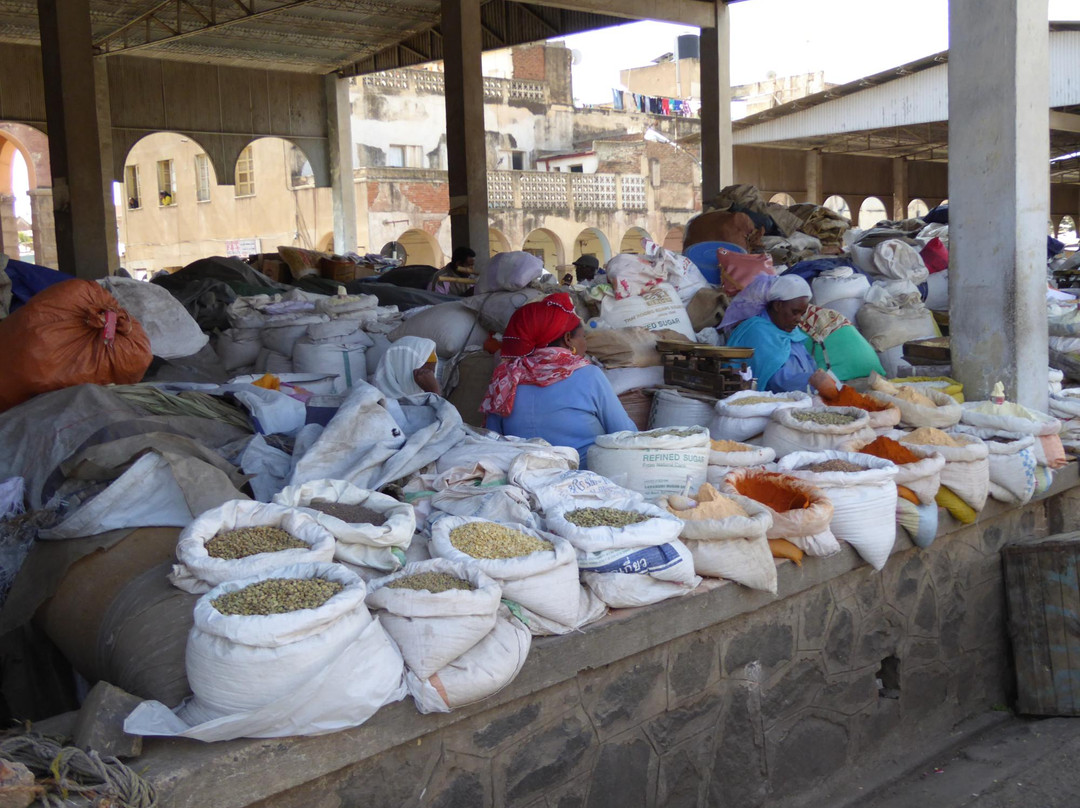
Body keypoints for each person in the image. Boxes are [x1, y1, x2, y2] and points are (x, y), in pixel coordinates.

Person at [482, 292, 635, 468]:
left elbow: (492, 441)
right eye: (583, 336)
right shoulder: (589, 375)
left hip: (522, 478)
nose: (585, 343)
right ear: (568, 339)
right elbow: (625, 434)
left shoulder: (505, 378)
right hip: (584, 478)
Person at [721, 274, 835, 395]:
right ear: (777, 305)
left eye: (801, 314)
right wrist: (812, 382)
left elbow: (808, 363)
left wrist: (819, 378)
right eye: (795, 312)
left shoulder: (790, 331)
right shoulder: (757, 332)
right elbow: (775, 380)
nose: (799, 319)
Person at [372, 336, 441, 398]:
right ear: (402, 367)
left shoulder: (420, 399)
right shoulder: (377, 401)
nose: (430, 376)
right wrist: (434, 392)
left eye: (432, 371)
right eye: (425, 371)